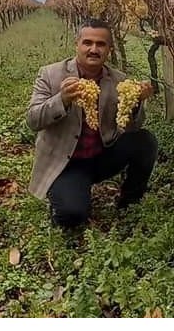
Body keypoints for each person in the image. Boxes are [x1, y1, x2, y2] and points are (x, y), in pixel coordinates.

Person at [25, 19, 157, 228]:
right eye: (87, 43)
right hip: (66, 163)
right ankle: (65, 194)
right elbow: (33, 120)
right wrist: (62, 100)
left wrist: (137, 102)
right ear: (76, 44)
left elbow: (132, 127)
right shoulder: (50, 75)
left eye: (101, 44)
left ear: (109, 49)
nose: (93, 49)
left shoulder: (119, 80)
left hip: (102, 155)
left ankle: (129, 201)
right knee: (72, 216)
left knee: (145, 140)